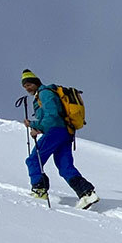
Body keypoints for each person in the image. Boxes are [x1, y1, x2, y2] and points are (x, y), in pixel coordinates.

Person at [21, 69, 99, 210]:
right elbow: (53, 117)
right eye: (25, 86)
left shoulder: (44, 93)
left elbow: (52, 116)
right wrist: (39, 128)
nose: (27, 88)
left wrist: (33, 124)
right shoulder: (46, 93)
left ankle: (39, 190)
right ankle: (86, 193)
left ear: (36, 83)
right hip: (66, 132)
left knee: (34, 160)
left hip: (56, 131)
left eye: (29, 84)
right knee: (64, 167)